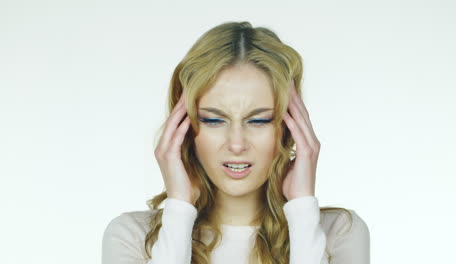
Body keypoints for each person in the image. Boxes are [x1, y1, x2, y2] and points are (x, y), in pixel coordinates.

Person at [102, 21, 370, 264]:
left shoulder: (339, 232)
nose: (237, 144)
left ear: (290, 127)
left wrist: (302, 207)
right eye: (213, 120)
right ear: (183, 127)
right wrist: (179, 209)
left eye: (259, 120)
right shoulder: (133, 237)